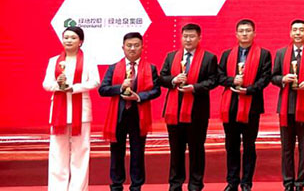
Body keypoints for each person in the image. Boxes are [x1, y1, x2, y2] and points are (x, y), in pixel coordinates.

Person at [159, 23, 219, 191]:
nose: (188, 39)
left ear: (199, 38)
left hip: (197, 112)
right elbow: (162, 77)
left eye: (192, 36)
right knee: (176, 151)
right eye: (185, 36)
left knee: (196, 150)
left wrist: (194, 87)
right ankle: (175, 184)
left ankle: (195, 185)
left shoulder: (209, 58)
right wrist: (173, 80)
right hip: (174, 111)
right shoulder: (171, 56)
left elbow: (213, 80)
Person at [98, 32, 161, 191]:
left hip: (138, 115)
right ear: (123, 47)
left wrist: (138, 97)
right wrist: (120, 87)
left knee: (138, 152)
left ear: (142, 47)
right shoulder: (113, 68)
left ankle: (136, 186)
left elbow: (156, 90)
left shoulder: (150, 68)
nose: (132, 49)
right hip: (118, 116)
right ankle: (116, 185)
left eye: (136, 45)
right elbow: (103, 89)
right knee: (116, 152)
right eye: (129, 45)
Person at [218, 19, 273, 191]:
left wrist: (249, 90)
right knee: (231, 145)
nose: (244, 34)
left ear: (254, 33)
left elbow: (265, 78)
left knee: (249, 145)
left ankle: (247, 182)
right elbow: (219, 76)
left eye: (248, 31)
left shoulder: (263, 54)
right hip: (231, 105)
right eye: (241, 31)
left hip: (252, 106)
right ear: (236, 34)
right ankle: (232, 182)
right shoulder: (227, 54)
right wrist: (232, 81)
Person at [43, 26, 100, 191]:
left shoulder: (88, 60)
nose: (68, 40)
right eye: (66, 37)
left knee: (80, 152)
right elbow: (46, 84)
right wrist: (58, 85)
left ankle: (78, 188)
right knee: (57, 152)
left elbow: (95, 82)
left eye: (73, 38)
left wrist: (73, 88)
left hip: (81, 112)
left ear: (80, 41)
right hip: (58, 112)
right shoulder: (54, 61)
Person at [272, 20, 304, 191]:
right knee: (286, 148)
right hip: (286, 108)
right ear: (290, 33)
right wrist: (283, 79)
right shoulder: (281, 53)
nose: (298, 33)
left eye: (301, 30)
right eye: (295, 30)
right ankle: (288, 182)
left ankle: (300, 183)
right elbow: (273, 77)